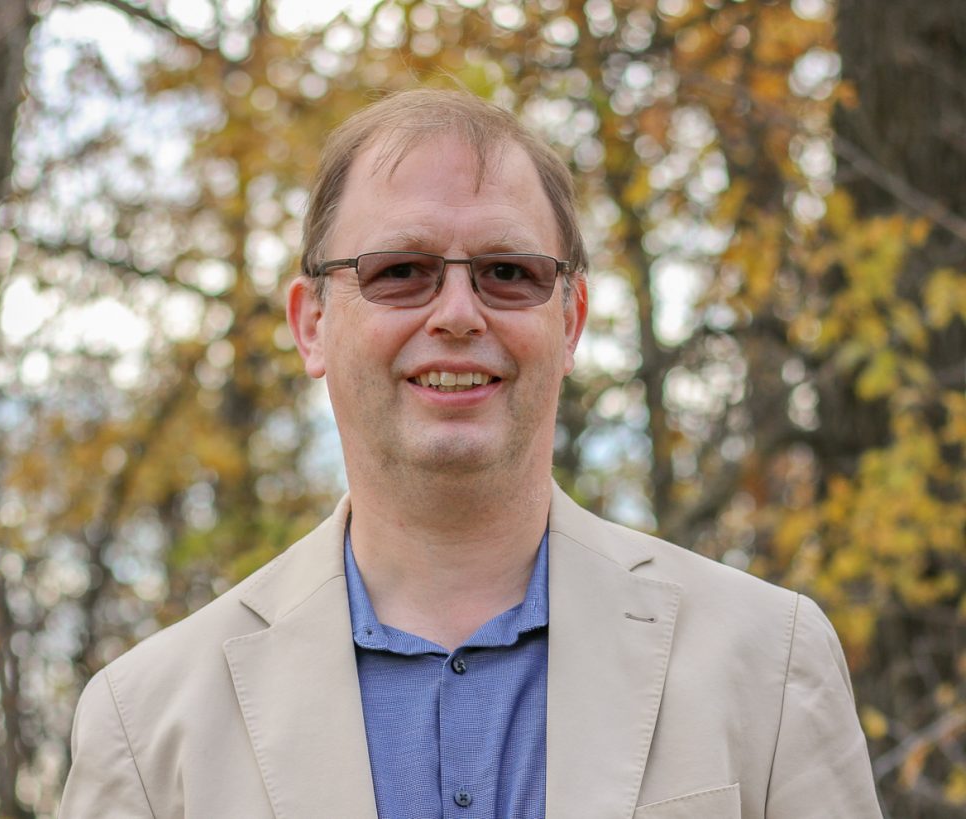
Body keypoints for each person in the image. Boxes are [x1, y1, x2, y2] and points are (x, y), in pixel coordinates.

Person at [58, 89, 883, 819]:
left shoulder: (767, 661)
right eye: (402, 270)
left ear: (570, 320)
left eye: (507, 272)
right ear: (312, 323)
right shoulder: (147, 724)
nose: (457, 312)